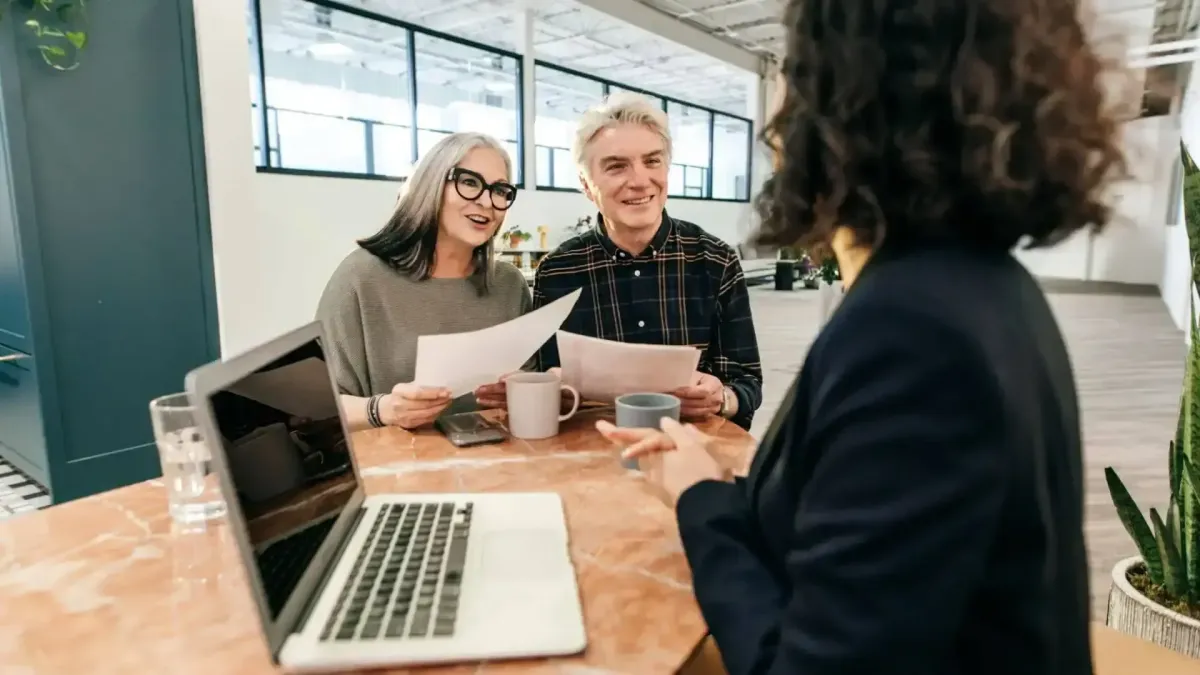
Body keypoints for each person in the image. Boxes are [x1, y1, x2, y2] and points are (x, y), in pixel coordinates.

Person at [599, 0, 1125, 673]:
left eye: (793, 72)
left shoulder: (913, 334)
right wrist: (715, 485)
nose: (774, 121)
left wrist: (702, 501)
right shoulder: (980, 285)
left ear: (843, 102)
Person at [528, 92, 763, 430]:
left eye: (652, 161)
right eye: (616, 166)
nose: (639, 180)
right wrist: (552, 391)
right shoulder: (558, 271)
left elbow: (746, 382)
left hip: (693, 455)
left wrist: (723, 398)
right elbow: (546, 383)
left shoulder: (715, 260)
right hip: (592, 458)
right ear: (586, 184)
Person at [317, 132, 530, 431]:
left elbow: (529, 382)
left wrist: (517, 394)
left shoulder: (508, 285)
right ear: (430, 184)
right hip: (399, 470)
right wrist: (384, 410)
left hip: (499, 466)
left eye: (500, 190)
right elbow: (317, 410)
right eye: (469, 182)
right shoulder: (361, 278)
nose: (487, 202)